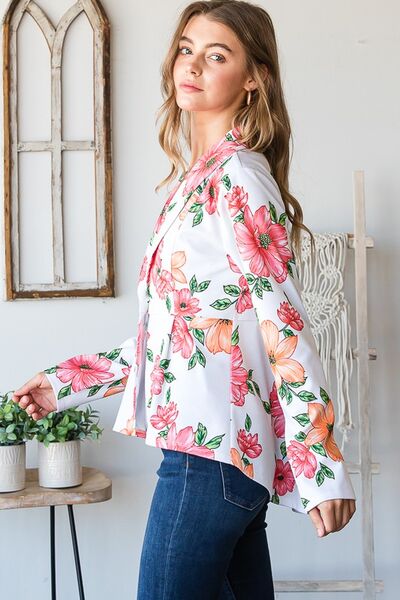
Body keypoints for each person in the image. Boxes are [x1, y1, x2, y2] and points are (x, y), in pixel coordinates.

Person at [12, 1, 356, 598]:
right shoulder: (200, 182)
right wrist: (66, 383)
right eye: (186, 50)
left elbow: (284, 326)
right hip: (216, 457)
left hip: (208, 457)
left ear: (254, 77)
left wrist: (321, 467)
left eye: (216, 55)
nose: (192, 66)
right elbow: (178, 340)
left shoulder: (238, 178)